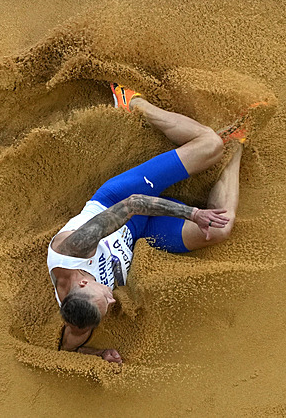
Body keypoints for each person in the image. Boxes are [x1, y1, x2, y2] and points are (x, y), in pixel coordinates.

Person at [47, 83, 265, 363]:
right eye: (107, 306)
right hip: (142, 234)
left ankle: (134, 104)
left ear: (80, 285)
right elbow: (69, 350)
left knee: (209, 144)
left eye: (104, 297)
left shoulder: (74, 249)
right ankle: (236, 145)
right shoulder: (80, 320)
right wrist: (100, 353)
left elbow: (134, 203)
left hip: (121, 200)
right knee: (220, 228)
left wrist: (191, 213)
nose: (113, 300)